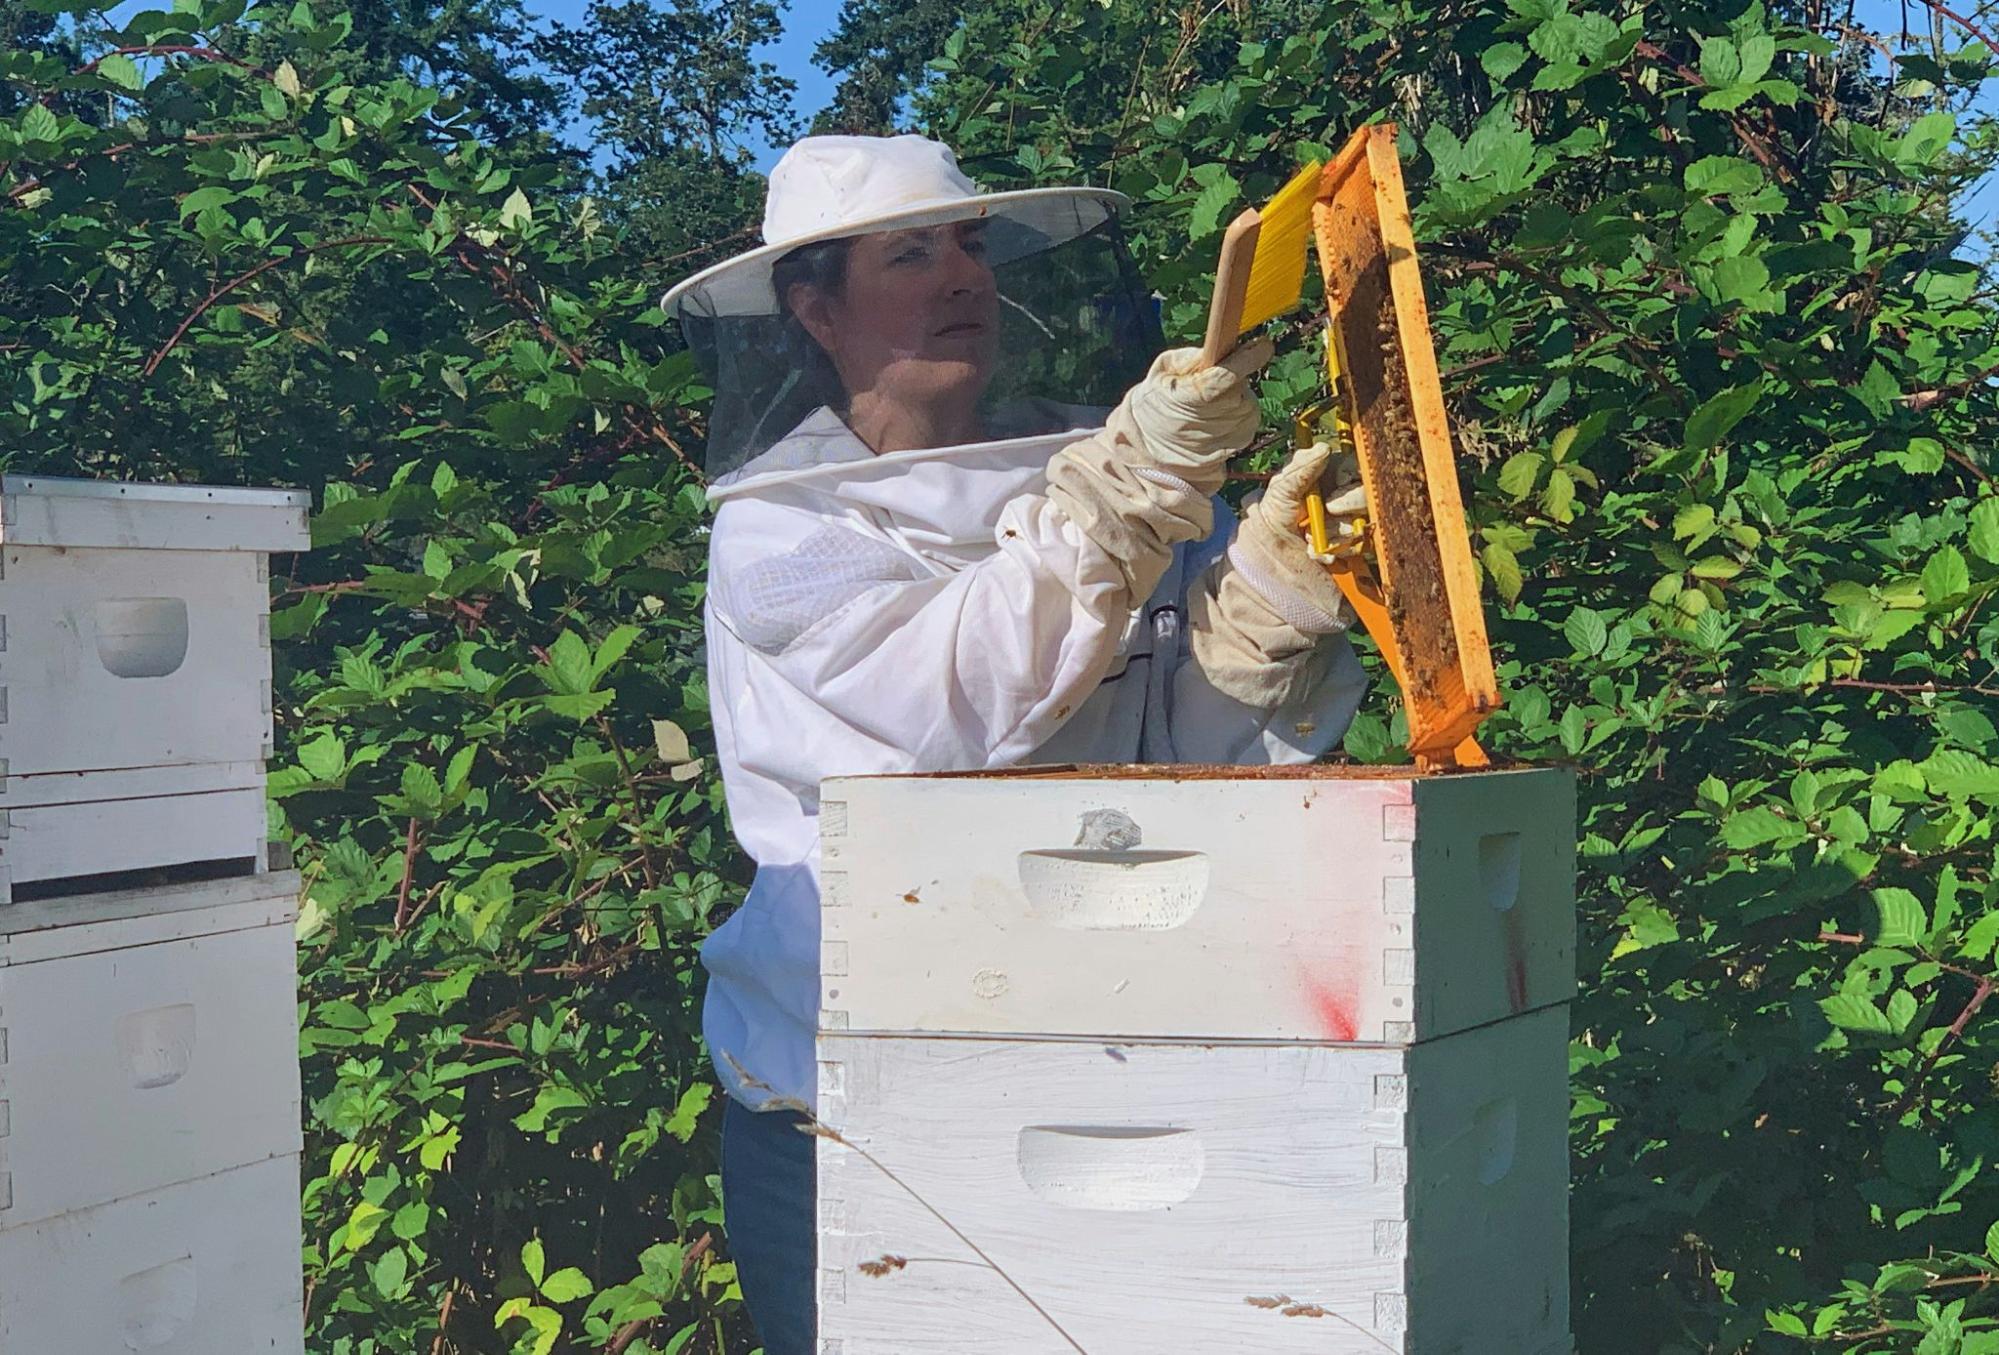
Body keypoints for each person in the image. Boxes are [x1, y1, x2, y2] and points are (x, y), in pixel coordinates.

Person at [660, 133, 1367, 1355]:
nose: (964, 281)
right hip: (839, 1088)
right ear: (813, 308)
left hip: (1096, 1040)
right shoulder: (784, 534)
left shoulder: (1091, 463)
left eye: (974, 248)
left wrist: (1261, 607)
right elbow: (968, 705)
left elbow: (1164, 762)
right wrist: (1135, 484)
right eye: (912, 253)